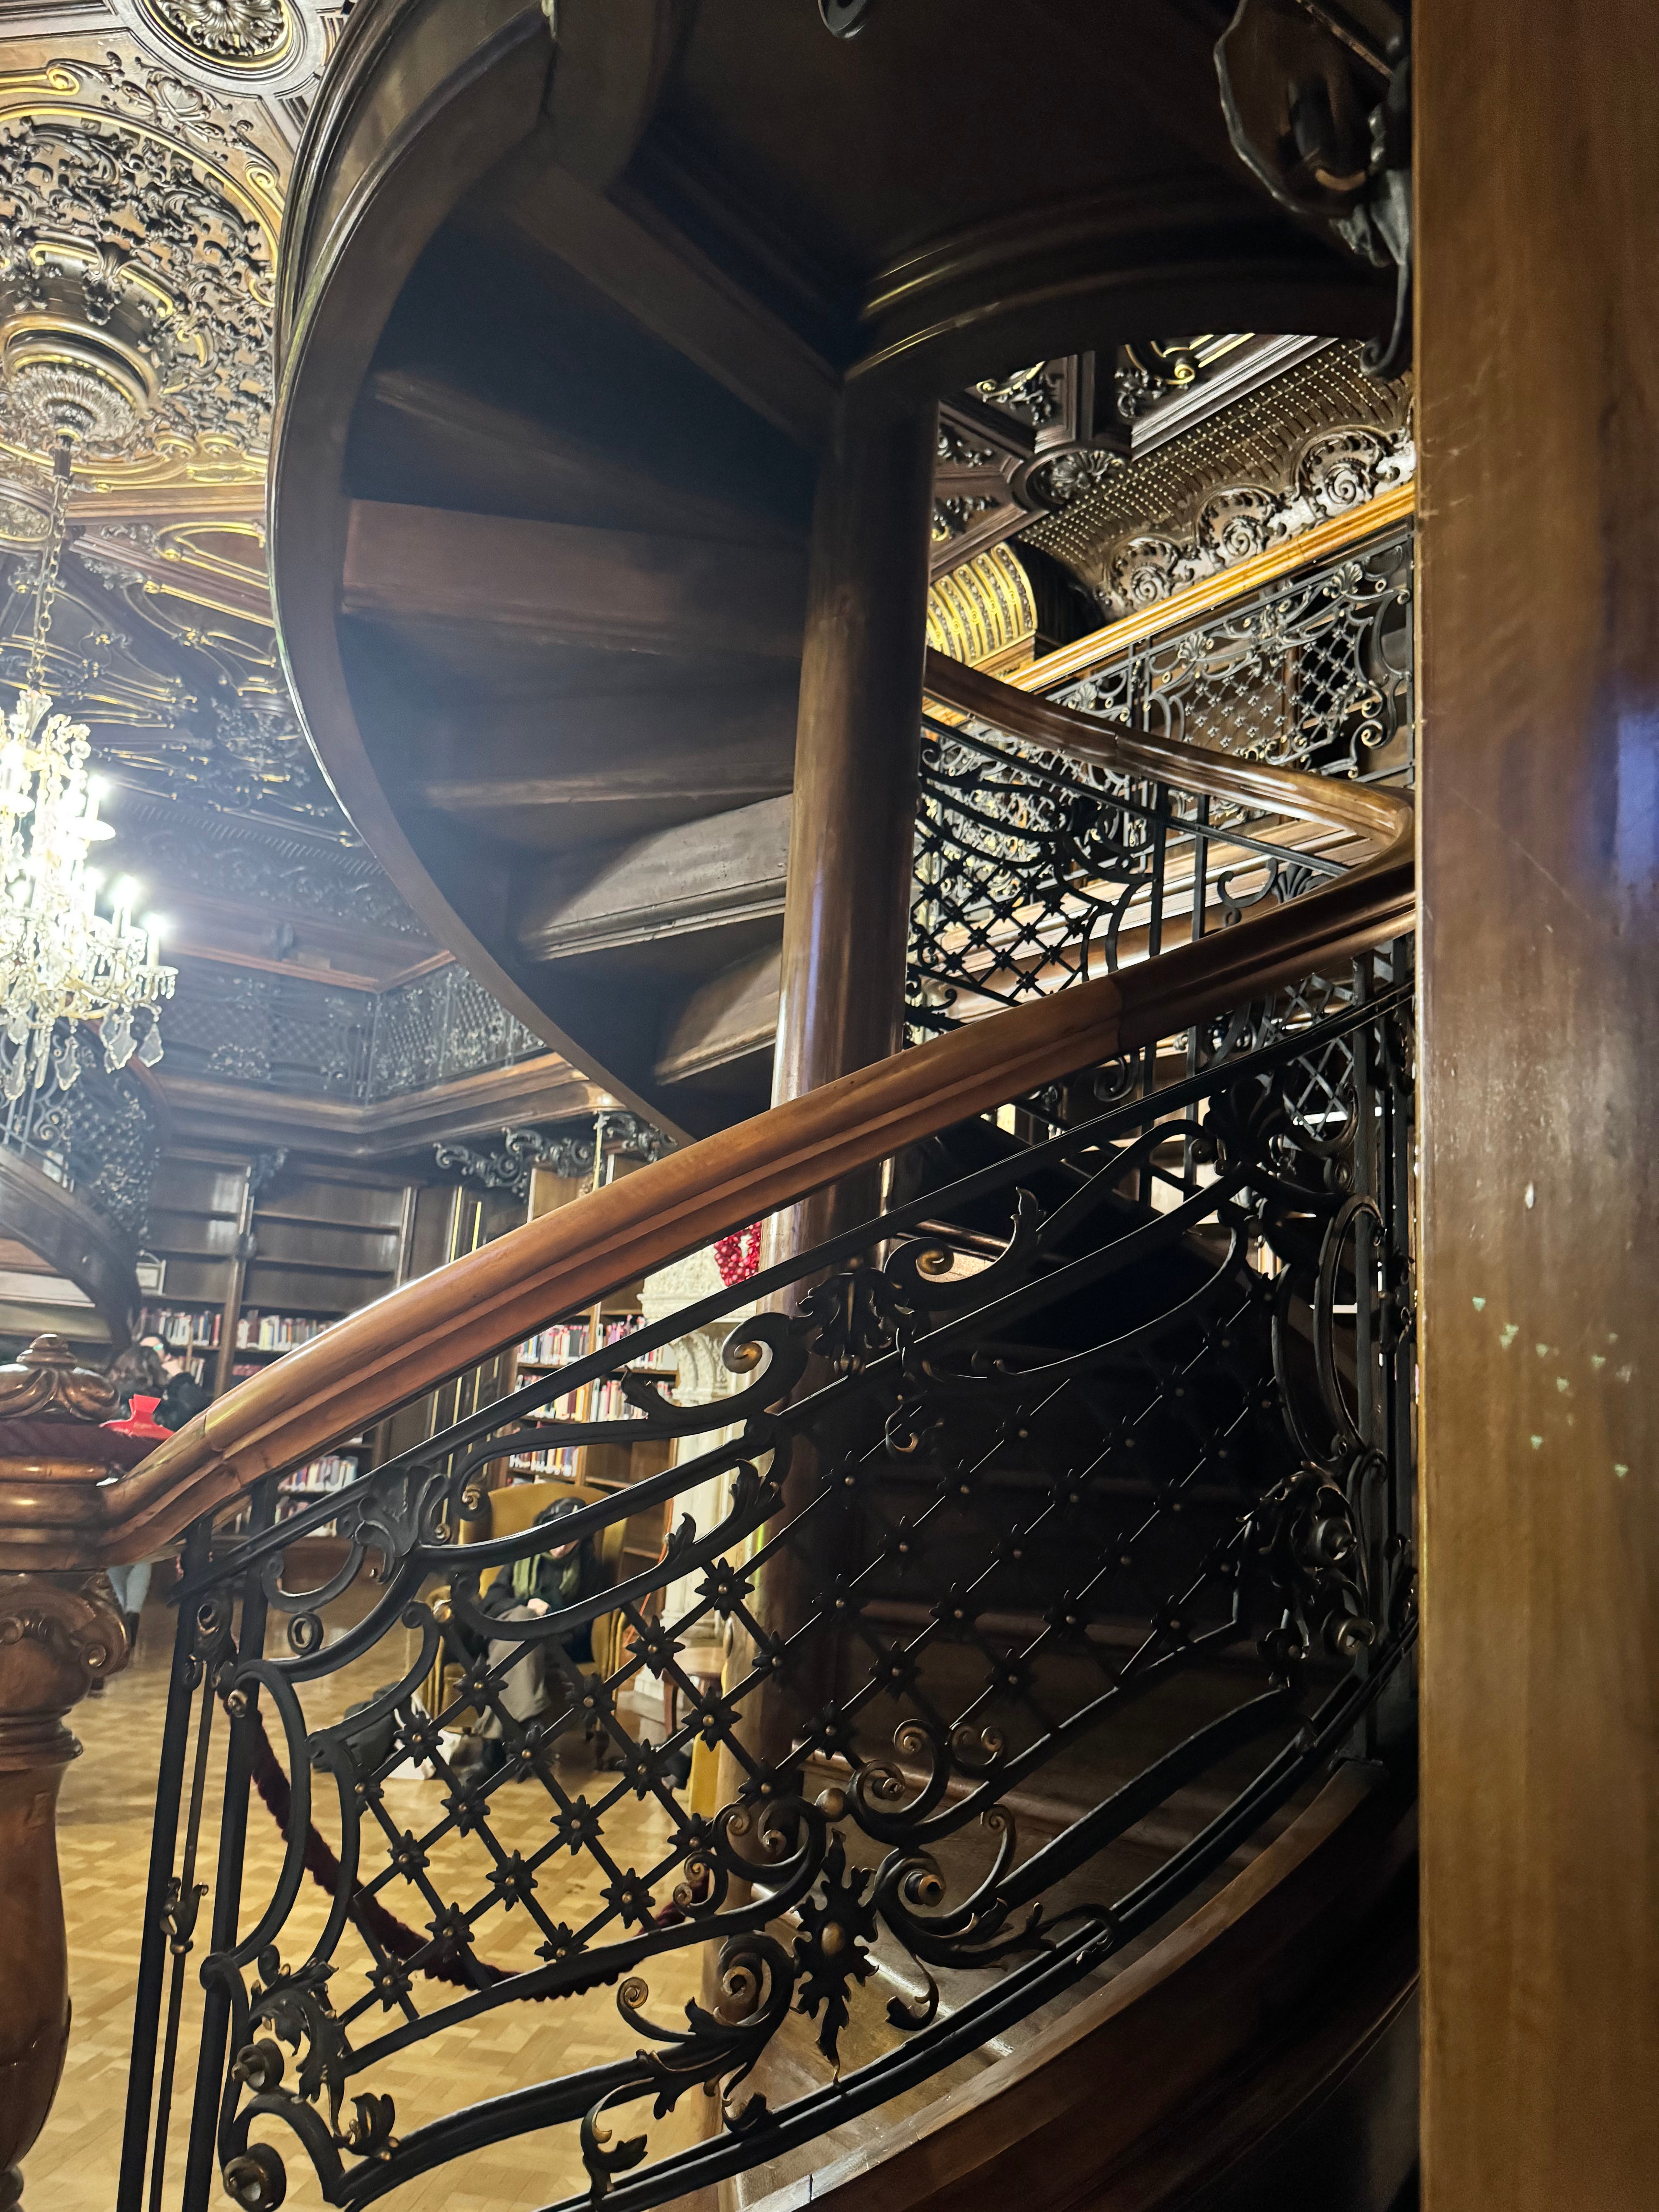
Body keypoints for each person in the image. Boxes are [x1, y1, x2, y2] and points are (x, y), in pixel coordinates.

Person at [475, 1496, 603, 1774]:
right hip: (506, 1629)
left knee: (523, 1635)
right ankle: (529, 1726)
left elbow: (584, 1625)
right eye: (558, 1536)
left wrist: (550, 1617)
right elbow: (491, 1603)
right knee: (523, 1619)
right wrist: (525, 1607)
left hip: (554, 1641)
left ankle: (492, 1752)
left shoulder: (587, 1568)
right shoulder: (523, 1554)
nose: (562, 1547)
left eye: (571, 1540)